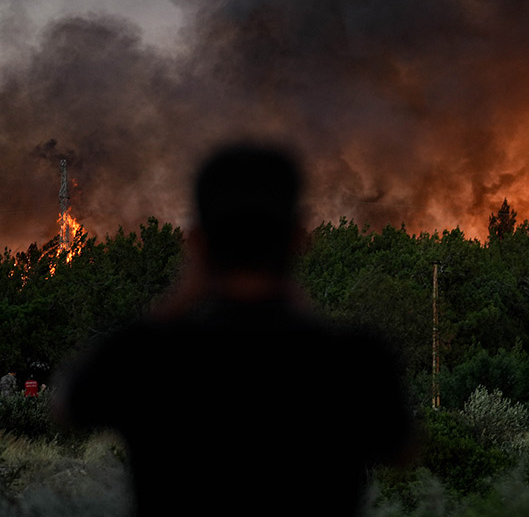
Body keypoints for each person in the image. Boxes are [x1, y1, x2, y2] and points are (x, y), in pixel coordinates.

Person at [54, 143, 416, 517]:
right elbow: (402, 446)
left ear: (197, 244)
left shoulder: (148, 357)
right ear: (299, 239)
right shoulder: (353, 360)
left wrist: (176, 299)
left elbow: (68, 407)